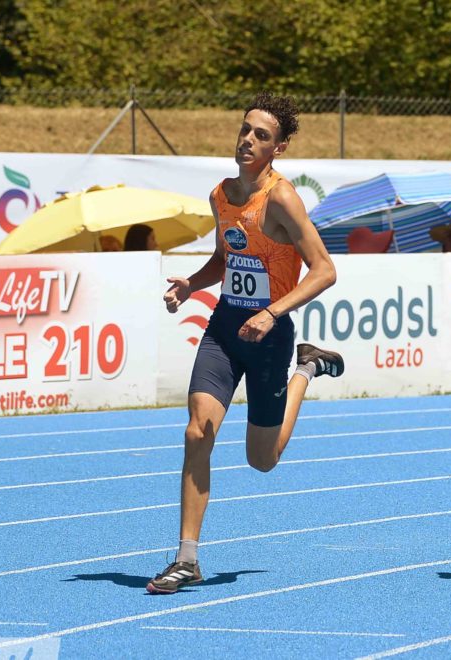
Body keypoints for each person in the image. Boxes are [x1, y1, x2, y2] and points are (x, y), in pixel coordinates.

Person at [148, 92, 345, 594]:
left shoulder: (281, 198)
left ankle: (306, 369)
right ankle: (187, 558)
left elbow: (324, 270)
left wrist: (272, 312)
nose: (248, 140)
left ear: (278, 148)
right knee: (197, 432)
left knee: (263, 460)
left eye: (262, 135)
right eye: (245, 129)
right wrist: (191, 285)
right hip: (224, 329)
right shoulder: (221, 195)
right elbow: (225, 259)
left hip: (269, 337)